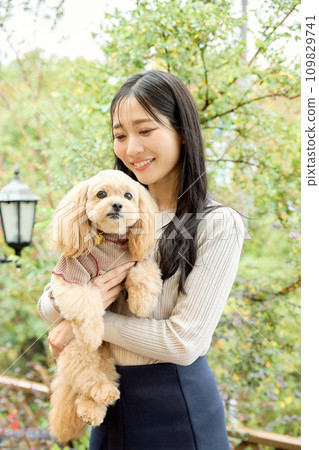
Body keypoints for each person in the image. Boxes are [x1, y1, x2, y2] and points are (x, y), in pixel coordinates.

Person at [38, 70, 245, 450]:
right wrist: (79, 309)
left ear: (182, 130)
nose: (131, 148)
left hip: (176, 409)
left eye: (145, 130)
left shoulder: (217, 224)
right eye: (120, 135)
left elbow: (184, 342)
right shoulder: (106, 214)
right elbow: (48, 302)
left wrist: (87, 321)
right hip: (109, 400)